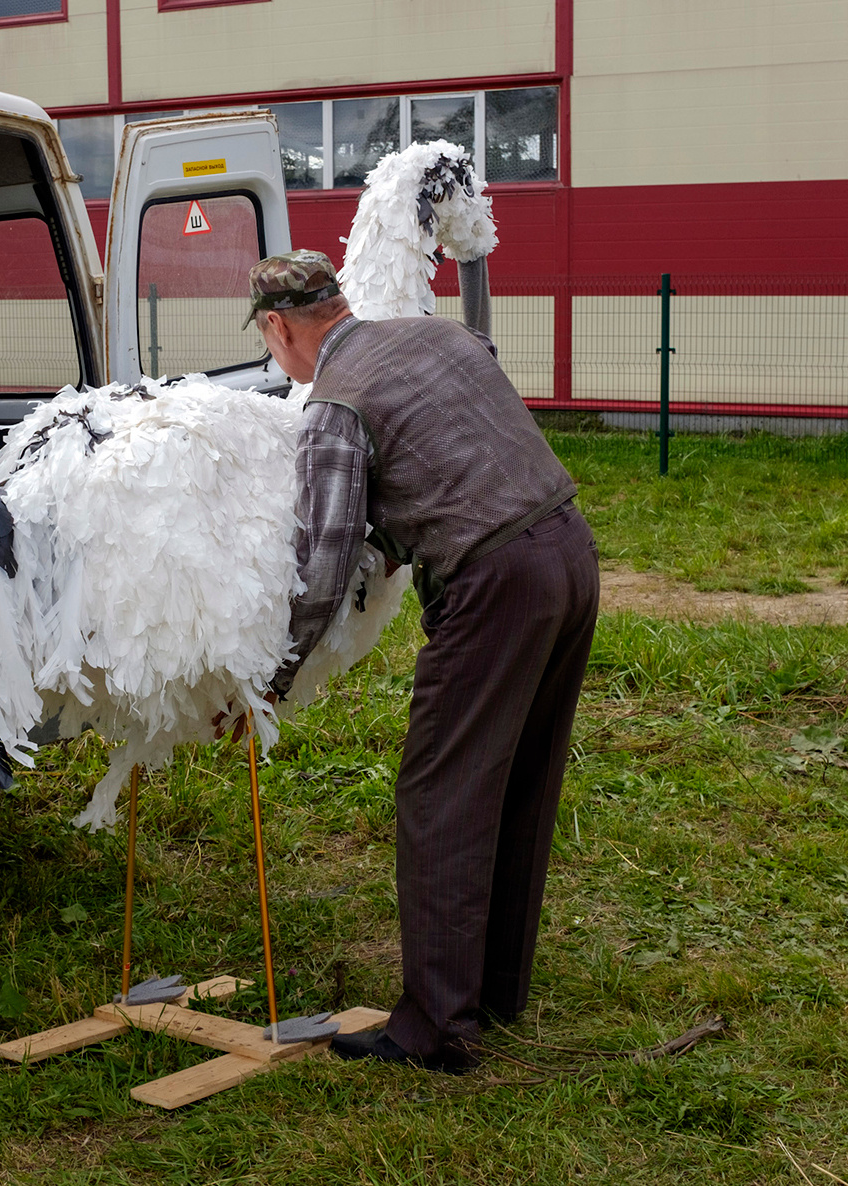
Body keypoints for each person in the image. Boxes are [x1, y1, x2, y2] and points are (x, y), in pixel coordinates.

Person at [252, 249, 600, 1072]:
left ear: (279, 328)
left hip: (494, 582)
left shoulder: (334, 403)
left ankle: (436, 1031)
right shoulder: (440, 335)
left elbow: (324, 561)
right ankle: (496, 991)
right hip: (570, 548)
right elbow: (459, 431)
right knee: (521, 775)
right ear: (339, 303)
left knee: (441, 793)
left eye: (272, 346)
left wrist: (274, 677)